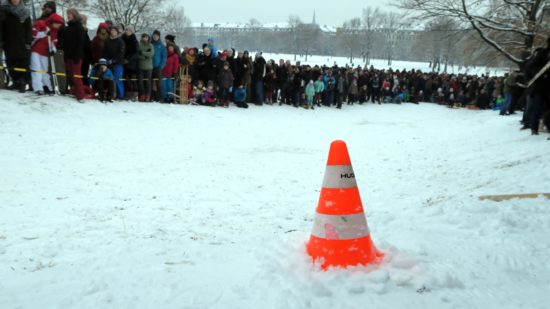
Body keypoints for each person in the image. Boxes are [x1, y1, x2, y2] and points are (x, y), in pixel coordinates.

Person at [0, 0, 32, 93]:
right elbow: (1, 27)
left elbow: (28, 28)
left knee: (23, 62)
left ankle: (23, 82)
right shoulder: (3, 9)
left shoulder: (25, 11)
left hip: (22, 42)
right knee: (10, 62)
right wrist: (1, 41)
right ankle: (15, 82)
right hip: (9, 41)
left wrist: (28, 41)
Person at [30, 13, 64, 95]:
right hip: (36, 50)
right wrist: (44, 33)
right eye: (58, 24)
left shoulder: (55, 31)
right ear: (53, 22)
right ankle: (38, 88)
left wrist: (53, 49)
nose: (59, 26)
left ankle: (47, 86)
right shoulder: (41, 23)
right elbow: (33, 34)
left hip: (45, 53)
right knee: (36, 68)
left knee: (44, 70)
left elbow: (53, 42)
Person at [61, 8, 86, 102]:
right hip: (68, 56)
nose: (68, 15)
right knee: (71, 76)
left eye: (70, 13)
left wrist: (77, 56)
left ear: (74, 15)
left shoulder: (79, 27)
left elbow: (80, 43)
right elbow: (65, 43)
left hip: (76, 57)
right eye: (67, 13)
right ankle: (75, 92)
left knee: (77, 76)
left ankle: (81, 96)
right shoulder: (67, 27)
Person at [103, 25, 125, 100]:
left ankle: (120, 95)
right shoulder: (108, 41)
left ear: (117, 32)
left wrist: (114, 60)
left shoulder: (120, 41)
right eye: (112, 30)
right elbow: (105, 52)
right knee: (110, 79)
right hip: (109, 63)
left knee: (118, 79)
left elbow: (121, 53)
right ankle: (111, 94)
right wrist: (107, 60)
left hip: (118, 63)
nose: (113, 32)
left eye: (114, 31)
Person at [122, 26, 139, 100]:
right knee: (125, 78)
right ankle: (126, 93)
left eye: (129, 30)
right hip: (123, 61)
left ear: (132, 32)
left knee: (133, 79)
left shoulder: (134, 40)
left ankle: (134, 95)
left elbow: (136, 53)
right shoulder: (122, 39)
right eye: (126, 30)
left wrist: (128, 59)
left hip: (132, 63)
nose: (127, 31)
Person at [137, 33, 154, 102]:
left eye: (146, 37)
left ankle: (148, 95)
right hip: (140, 66)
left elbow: (151, 54)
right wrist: (146, 55)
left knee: (148, 82)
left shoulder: (150, 45)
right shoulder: (139, 44)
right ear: (142, 38)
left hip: (149, 67)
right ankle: (142, 95)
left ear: (148, 38)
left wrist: (143, 53)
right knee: (140, 82)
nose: (145, 38)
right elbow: (137, 54)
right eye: (143, 37)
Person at [151, 30, 166, 102]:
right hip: (150, 66)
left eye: (157, 35)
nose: (155, 36)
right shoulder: (150, 44)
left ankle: (161, 97)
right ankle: (151, 96)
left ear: (159, 36)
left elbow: (164, 57)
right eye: (154, 35)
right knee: (150, 82)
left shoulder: (162, 46)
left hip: (158, 67)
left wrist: (161, 66)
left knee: (159, 83)